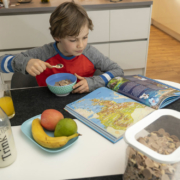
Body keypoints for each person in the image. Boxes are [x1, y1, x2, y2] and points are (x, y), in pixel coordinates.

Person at [0, 1, 124, 93]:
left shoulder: (90, 53)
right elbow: (1, 62)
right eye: (73, 40)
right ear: (58, 36)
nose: (81, 45)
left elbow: (118, 71)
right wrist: (25, 63)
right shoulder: (44, 53)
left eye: (85, 37)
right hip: (46, 106)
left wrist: (94, 82)